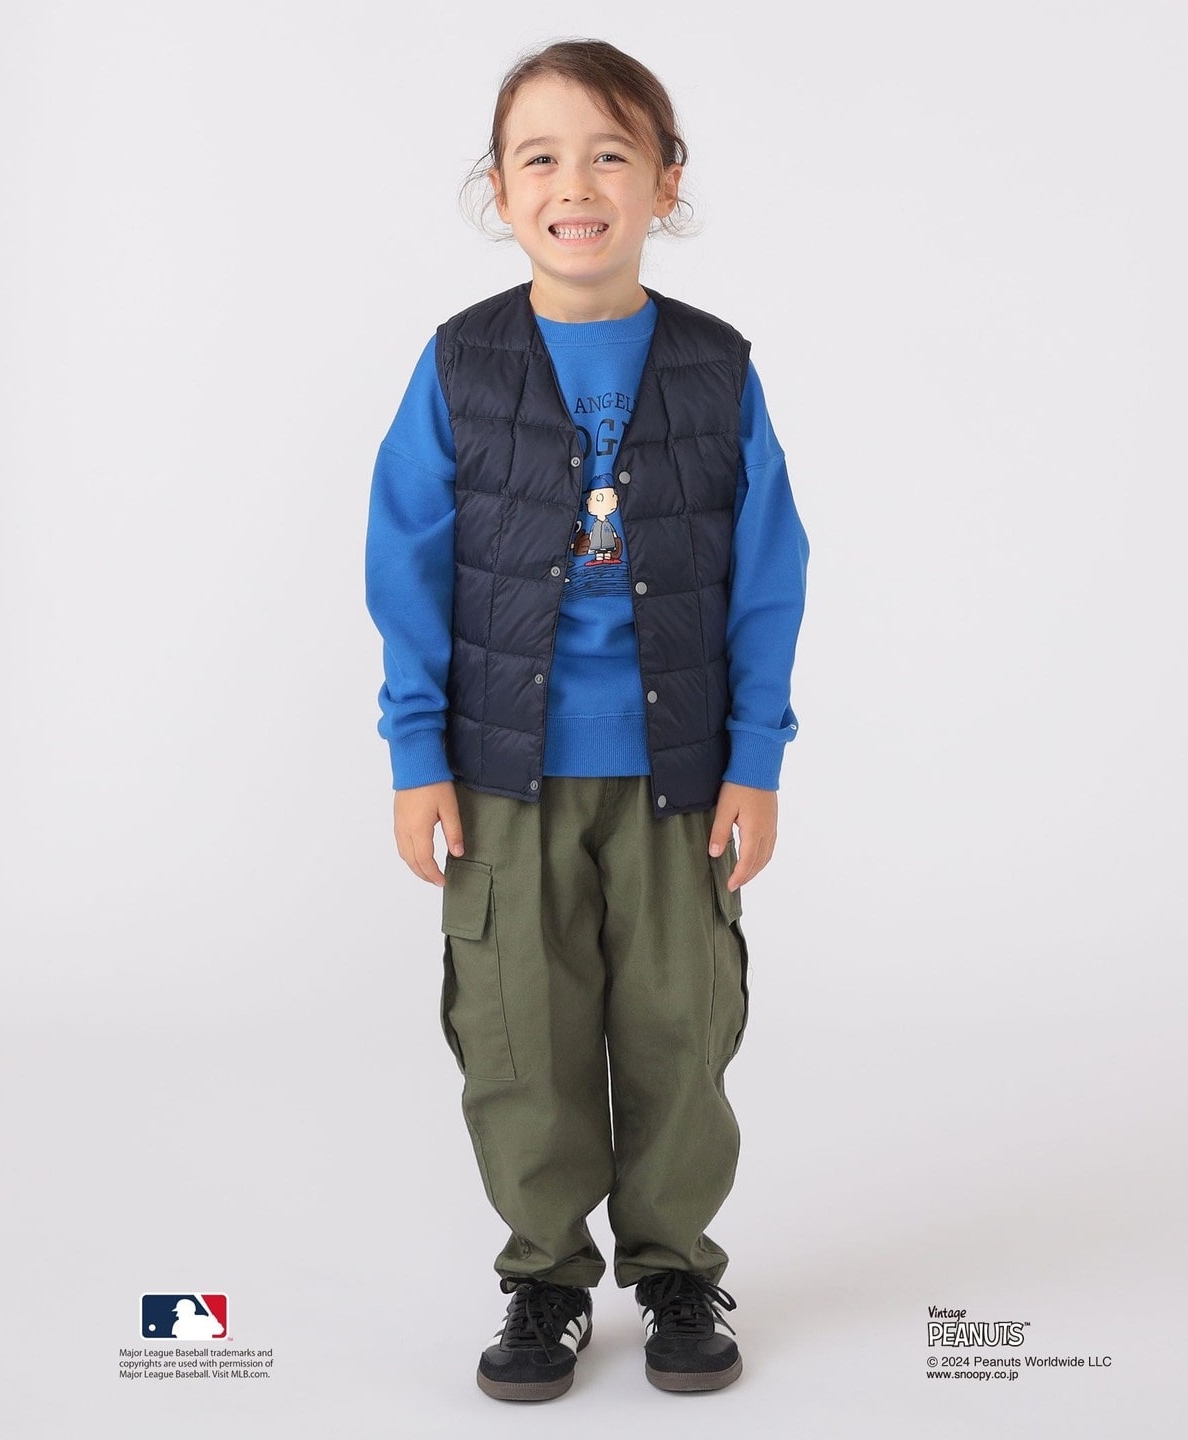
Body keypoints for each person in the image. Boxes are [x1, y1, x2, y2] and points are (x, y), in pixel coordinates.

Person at [365, 38, 808, 1402]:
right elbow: (405, 565)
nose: (576, 184)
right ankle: (546, 1279)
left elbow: (769, 577)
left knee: (683, 1028)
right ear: (500, 189)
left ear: (665, 181)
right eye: (540, 158)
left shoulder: (718, 368)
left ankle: (675, 1267)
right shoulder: (460, 365)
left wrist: (757, 758)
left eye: (612, 154)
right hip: (504, 778)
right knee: (520, 1038)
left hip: (681, 779)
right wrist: (416, 753)